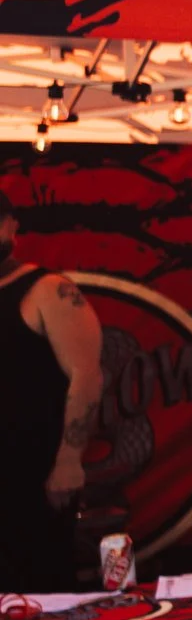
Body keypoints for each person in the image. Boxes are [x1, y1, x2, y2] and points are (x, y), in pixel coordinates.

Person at [0, 187, 104, 589]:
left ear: (11, 226)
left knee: (40, 589)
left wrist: (69, 459)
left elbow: (86, 375)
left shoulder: (47, 289)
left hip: (31, 471)